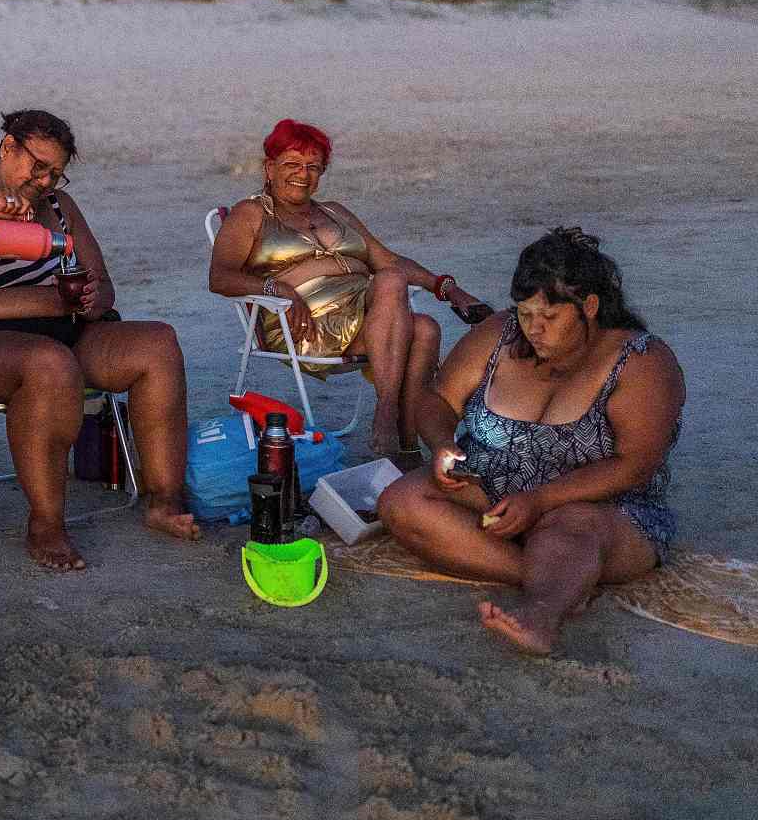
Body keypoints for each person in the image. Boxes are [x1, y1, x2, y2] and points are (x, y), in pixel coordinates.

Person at [0, 109, 198, 571]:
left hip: (64, 336)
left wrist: (91, 297)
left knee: (158, 343)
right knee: (47, 363)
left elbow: (102, 282)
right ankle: (46, 523)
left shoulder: (59, 209)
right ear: (8, 147)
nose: (46, 180)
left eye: (56, 172)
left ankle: (163, 502)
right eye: (38, 166)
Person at [376, 228, 684, 656]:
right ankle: (565, 580)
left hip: (600, 511)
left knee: (572, 526)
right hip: (496, 490)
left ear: (589, 308)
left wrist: (539, 501)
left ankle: (542, 612)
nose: (534, 330)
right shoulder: (500, 333)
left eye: (550, 318)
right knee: (401, 502)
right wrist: (443, 445)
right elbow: (438, 400)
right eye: (525, 314)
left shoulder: (641, 362)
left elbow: (634, 465)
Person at [207, 119, 488, 457]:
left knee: (424, 326)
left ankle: (406, 450)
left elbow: (388, 260)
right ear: (270, 168)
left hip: (368, 314)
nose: (303, 174)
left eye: (313, 167)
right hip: (302, 324)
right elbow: (220, 277)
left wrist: (446, 287)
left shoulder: (335, 212)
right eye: (292, 164)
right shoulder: (251, 214)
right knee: (402, 299)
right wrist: (277, 288)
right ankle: (386, 416)